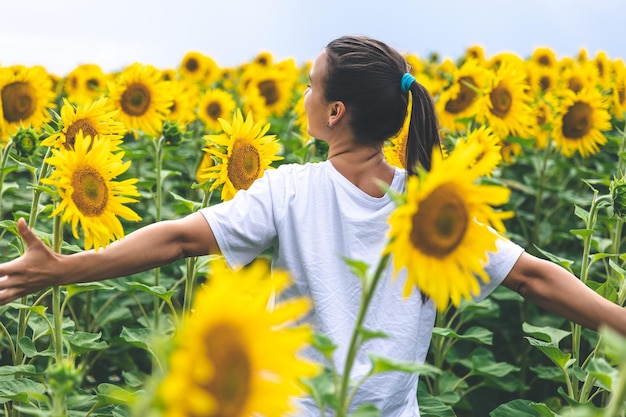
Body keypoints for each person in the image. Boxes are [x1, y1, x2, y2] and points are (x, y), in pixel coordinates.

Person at [1, 35, 625, 416]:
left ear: (333, 111)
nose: (300, 96)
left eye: (308, 86)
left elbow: (182, 237)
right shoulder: (434, 209)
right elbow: (535, 279)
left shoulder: (290, 189)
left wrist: (65, 270)